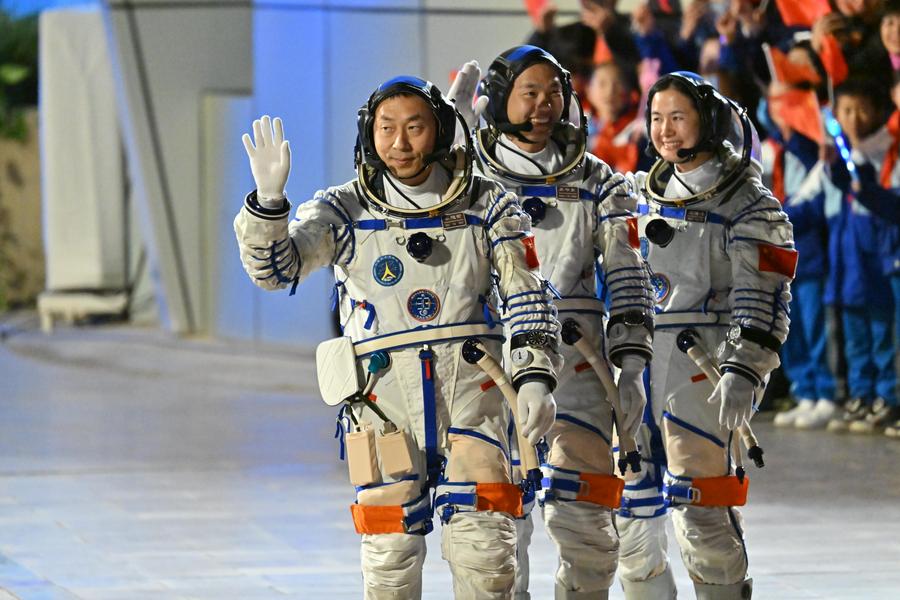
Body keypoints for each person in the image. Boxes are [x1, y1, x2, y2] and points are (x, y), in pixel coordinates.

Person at [234, 77, 562, 599]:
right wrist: (269, 202)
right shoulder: (343, 211)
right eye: (387, 129)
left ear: (439, 131)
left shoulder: (488, 205)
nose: (400, 143)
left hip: (473, 400)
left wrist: (535, 375)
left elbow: (528, 295)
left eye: (415, 128)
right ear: (370, 134)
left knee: (487, 562)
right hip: (383, 408)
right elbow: (277, 269)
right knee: (389, 565)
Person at [449, 45, 655, 600]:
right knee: (497, 532)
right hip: (496, 370)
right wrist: (451, 140)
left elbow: (630, 281)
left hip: (580, 366)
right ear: (499, 101)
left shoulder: (600, 183)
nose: (543, 106)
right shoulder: (469, 183)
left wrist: (632, 365)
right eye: (529, 93)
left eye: (553, 93)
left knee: (589, 526)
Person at [620, 71, 795, 599]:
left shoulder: (747, 202)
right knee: (629, 514)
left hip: (704, 367)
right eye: (656, 119)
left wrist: (744, 368)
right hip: (634, 366)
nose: (666, 131)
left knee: (701, 505)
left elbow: (762, 294)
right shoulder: (636, 194)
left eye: (678, 117)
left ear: (709, 121)